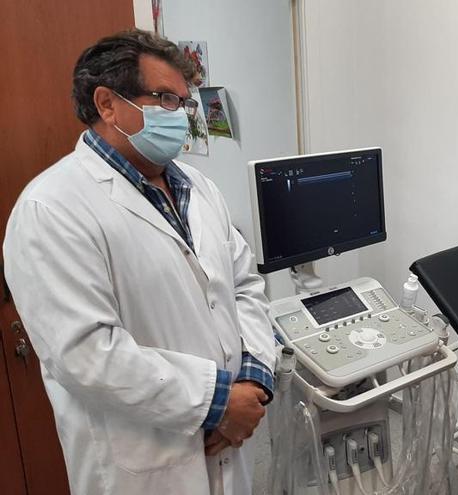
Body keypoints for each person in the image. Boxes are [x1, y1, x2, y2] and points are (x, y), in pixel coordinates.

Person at [3, 30, 276, 495]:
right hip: (144, 463)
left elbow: (243, 286)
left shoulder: (198, 186)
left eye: (185, 103)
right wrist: (217, 404)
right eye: (166, 99)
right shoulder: (51, 208)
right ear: (107, 104)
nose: (183, 118)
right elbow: (86, 353)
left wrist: (253, 380)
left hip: (230, 439)